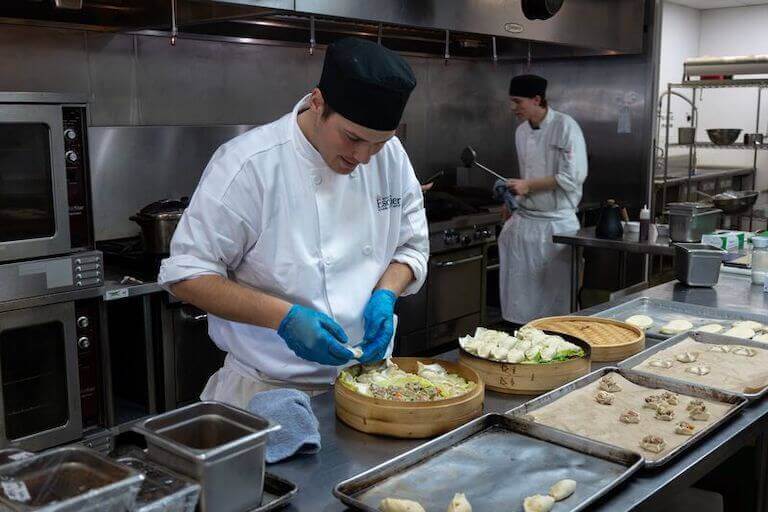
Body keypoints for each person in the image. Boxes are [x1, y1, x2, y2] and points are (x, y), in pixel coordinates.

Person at [158, 37, 429, 408]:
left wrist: (386, 293)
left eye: (378, 143)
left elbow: (411, 247)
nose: (364, 158)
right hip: (267, 394)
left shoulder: (392, 158)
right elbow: (187, 275)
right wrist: (284, 318)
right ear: (318, 103)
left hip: (371, 387)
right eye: (353, 138)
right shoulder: (250, 164)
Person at [498, 74, 588, 324]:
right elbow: (528, 175)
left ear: (537, 99)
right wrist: (511, 200)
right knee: (521, 303)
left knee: (555, 304)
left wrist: (528, 185)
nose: (513, 107)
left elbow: (572, 177)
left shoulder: (565, 127)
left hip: (556, 226)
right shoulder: (521, 132)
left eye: (518, 101)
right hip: (525, 223)